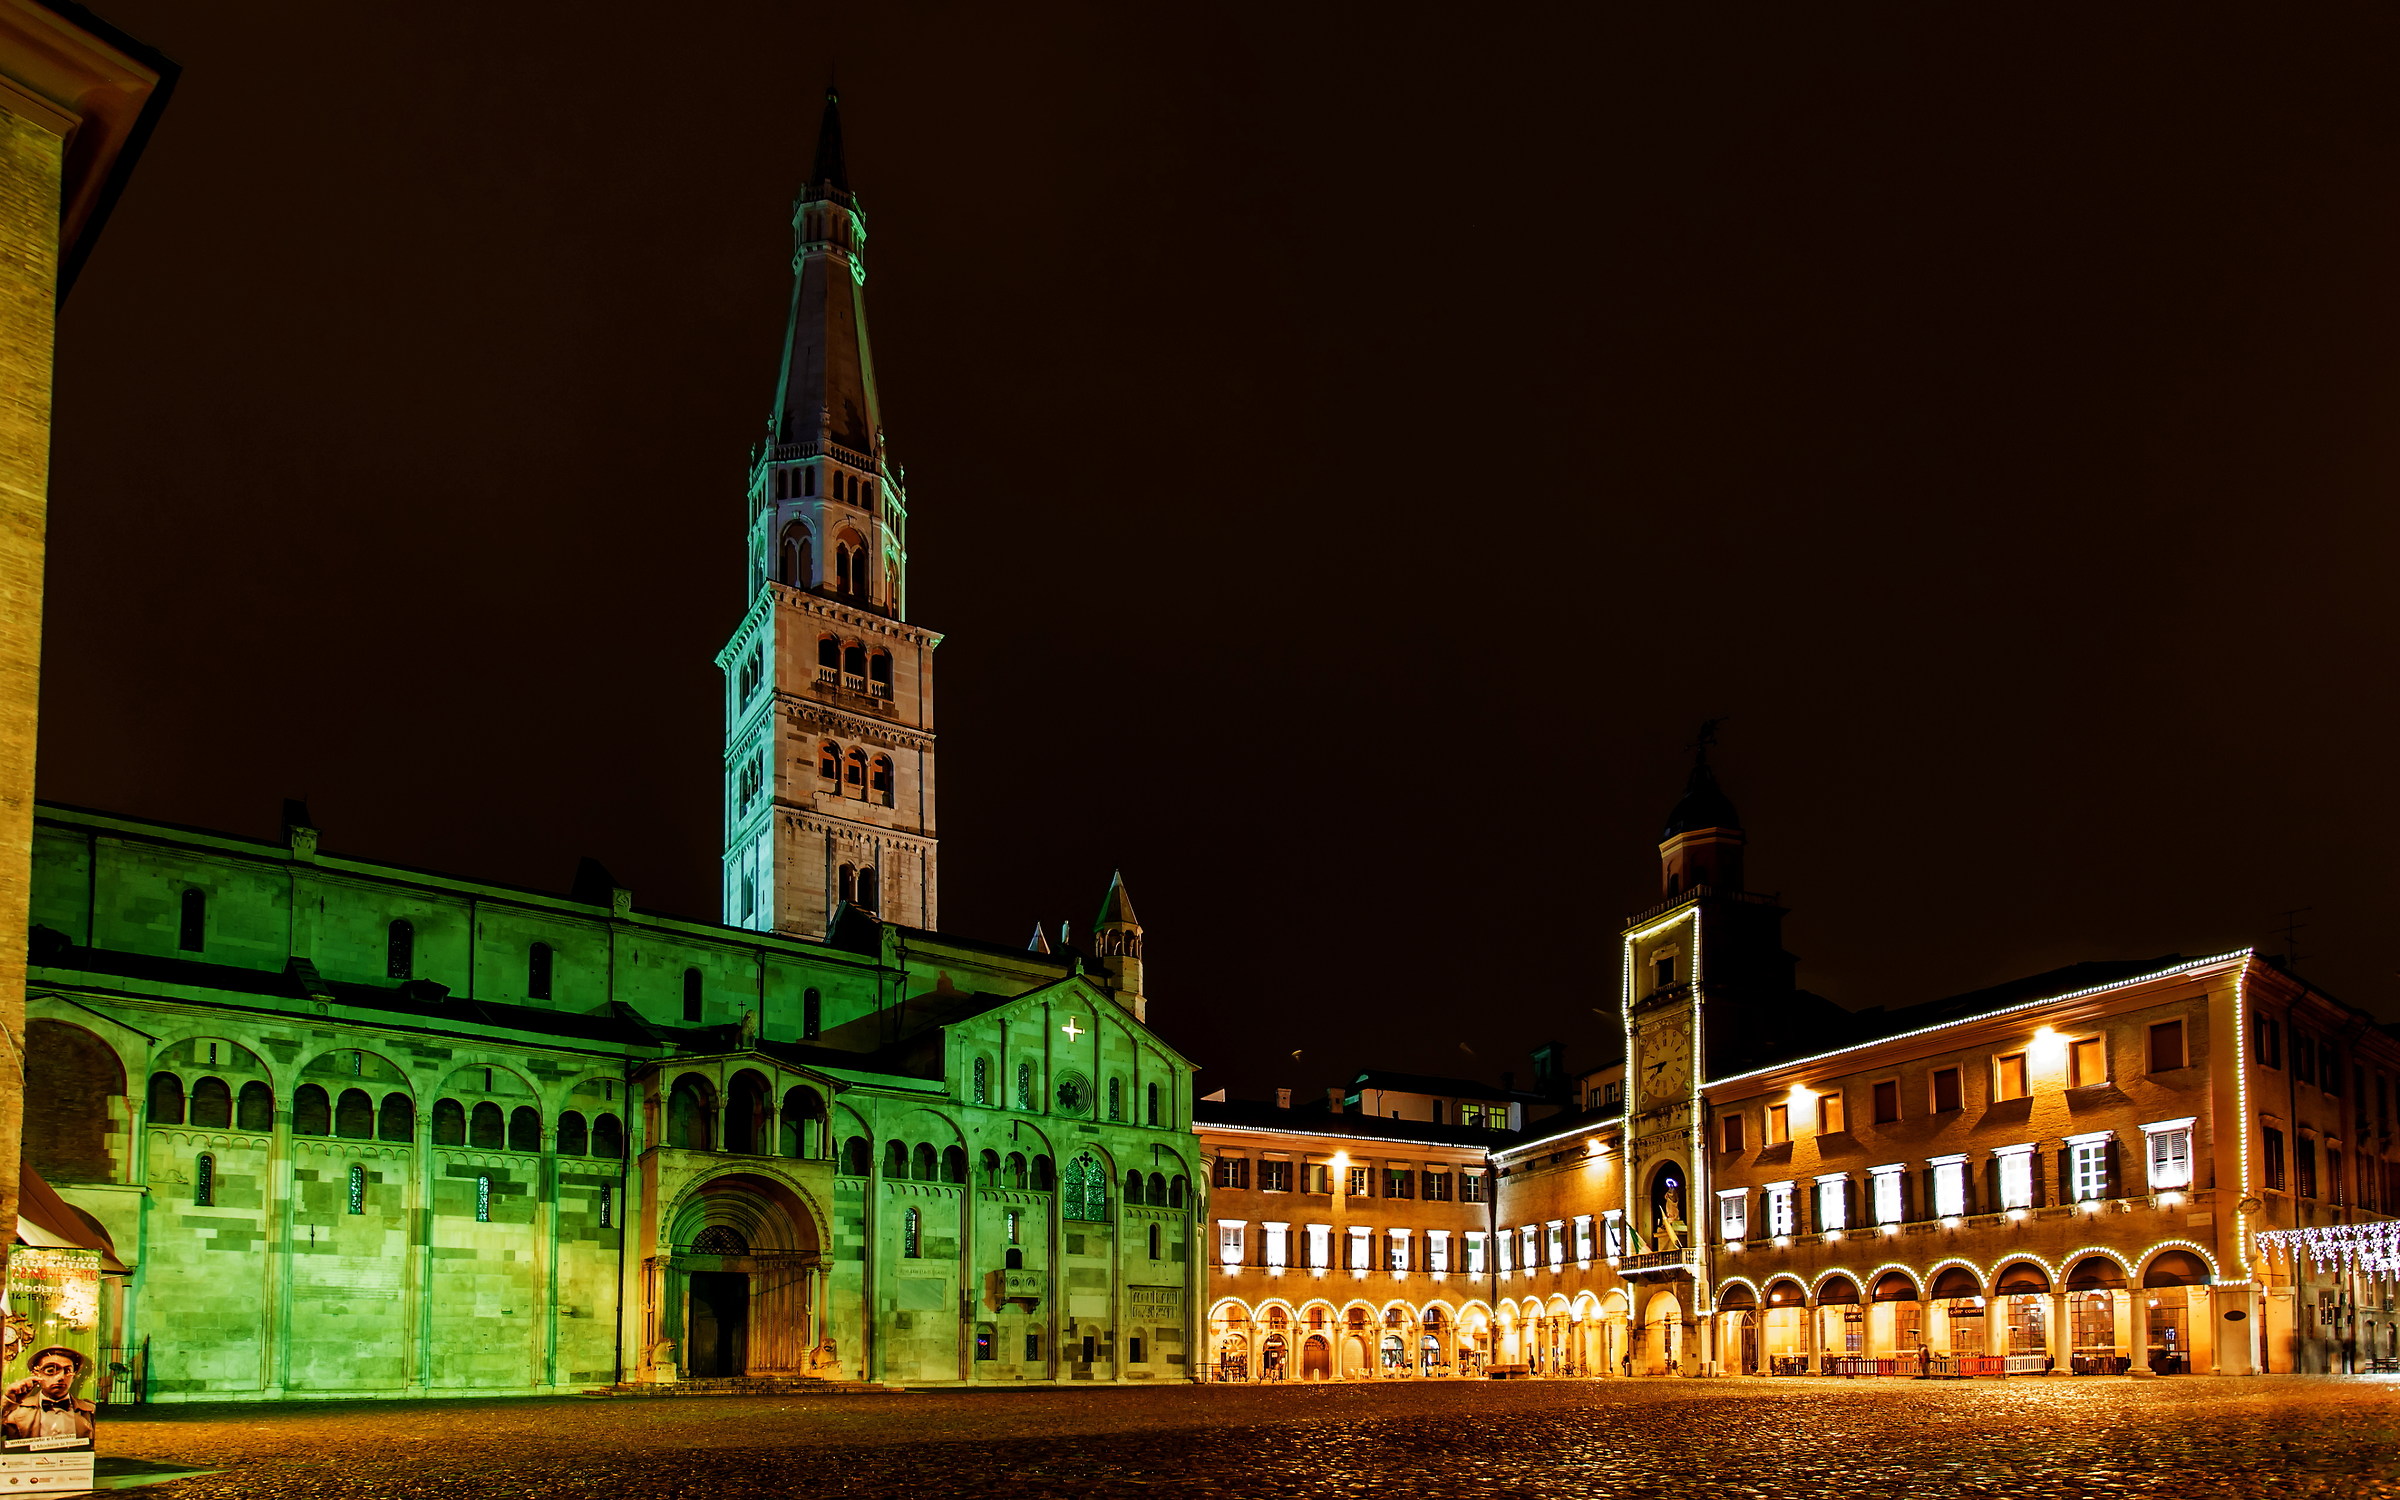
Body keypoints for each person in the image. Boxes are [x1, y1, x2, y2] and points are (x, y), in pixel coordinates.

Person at [2, 1347, 95, 1443]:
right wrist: (7, 1402)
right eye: (51, 1370)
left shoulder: (90, 1411)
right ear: (37, 1374)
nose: (61, 1377)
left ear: (74, 1376)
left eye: (67, 1371)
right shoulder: (15, 1410)